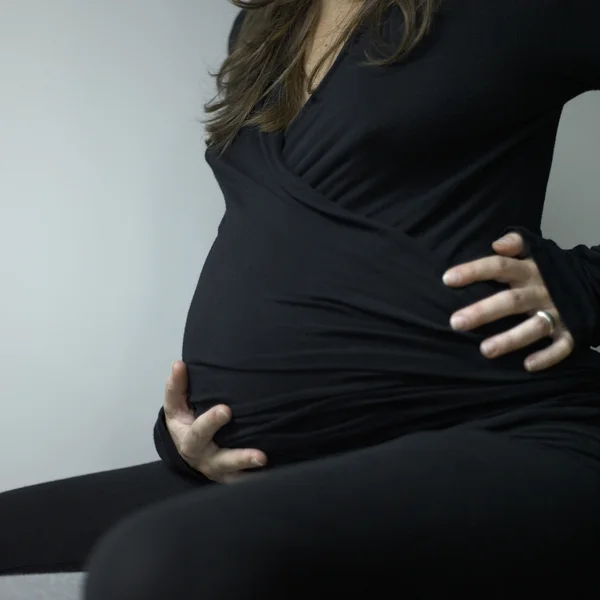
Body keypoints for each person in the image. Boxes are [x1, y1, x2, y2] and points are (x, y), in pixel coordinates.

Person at [2, 0, 600, 597]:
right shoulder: (267, 23)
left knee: (155, 561)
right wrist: (196, 433)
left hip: (498, 426)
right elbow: (278, 241)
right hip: (271, 462)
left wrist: (586, 285)